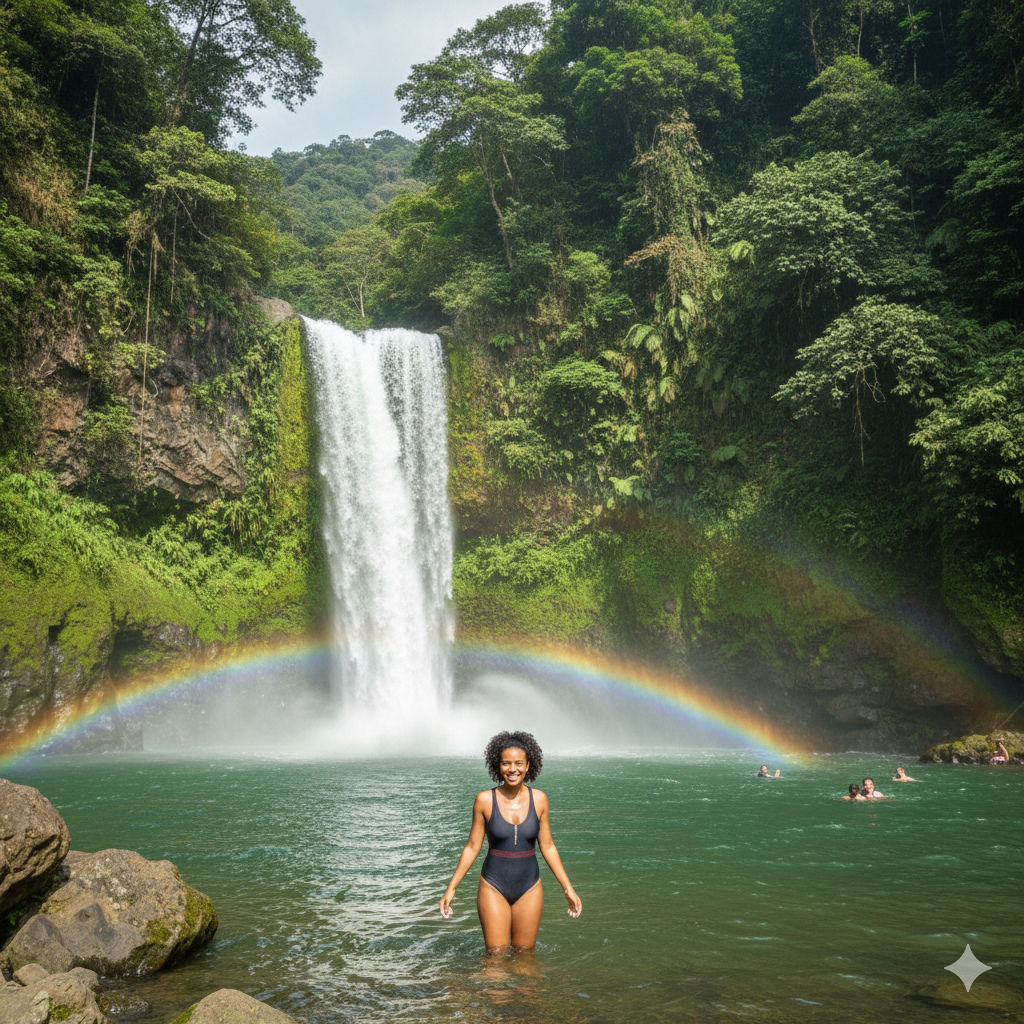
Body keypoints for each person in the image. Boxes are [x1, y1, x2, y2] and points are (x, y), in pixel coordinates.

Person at [439, 731, 582, 953]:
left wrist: (568, 888)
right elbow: (472, 847)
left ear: (528, 766)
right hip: (493, 885)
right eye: (506, 763)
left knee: (526, 958)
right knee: (495, 959)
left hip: (530, 887)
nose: (512, 769)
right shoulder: (484, 800)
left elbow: (548, 846)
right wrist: (451, 888)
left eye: (518, 763)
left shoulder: (540, 799)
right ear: (498, 766)